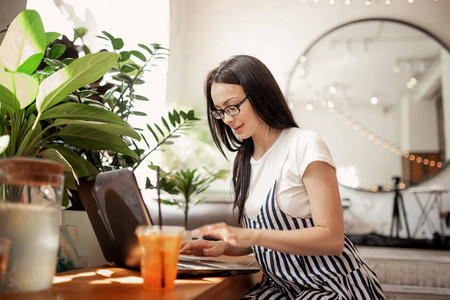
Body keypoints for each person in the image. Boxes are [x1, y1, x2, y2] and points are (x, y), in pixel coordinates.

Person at [180, 55, 385, 299]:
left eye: (232, 106)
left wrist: (249, 235)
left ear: (260, 94)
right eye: (220, 111)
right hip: (283, 289)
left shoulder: (304, 144)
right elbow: (264, 240)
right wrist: (226, 247)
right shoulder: (244, 161)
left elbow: (332, 238)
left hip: (333, 287)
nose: (227, 119)